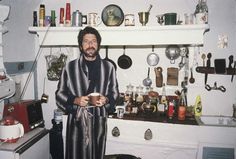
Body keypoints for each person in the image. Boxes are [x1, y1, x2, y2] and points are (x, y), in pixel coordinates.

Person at [55, 26, 119, 159]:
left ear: (98, 45)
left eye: (94, 41)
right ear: (80, 46)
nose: (90, 44)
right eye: (86, 41)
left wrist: (106, 100)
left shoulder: (109, 67)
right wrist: (75, 100)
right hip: (76, 123)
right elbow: (59, 94)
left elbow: (115, 94)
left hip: (98, 123)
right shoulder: (69, 67)